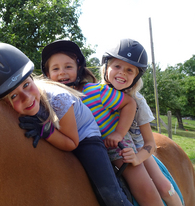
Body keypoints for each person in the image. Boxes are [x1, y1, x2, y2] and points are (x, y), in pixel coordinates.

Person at [0, 42, 134, 206]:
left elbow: (72, 143)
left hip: (84, 137)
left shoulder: (59, 99)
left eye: (26, 84)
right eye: (13, 96)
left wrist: (45, 130)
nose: (27, 97)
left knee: (110, 194)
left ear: (32, 78)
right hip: (54, 127)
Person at [41, 40, 164, 206]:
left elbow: (129, 103)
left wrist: (118, 134)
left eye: (68, 67)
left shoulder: (94, 91)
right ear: (48, 74)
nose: (62, 72)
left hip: (114, 148)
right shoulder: (50, 99)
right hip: (81, 147)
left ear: (78, 69)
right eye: (55, 68)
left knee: (146, 193)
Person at [101, 39, 183, 206]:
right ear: (106, 67)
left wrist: (138, 158)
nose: (122, 73)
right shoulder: (95, 94)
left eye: (129, 70)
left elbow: (150, 144)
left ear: (136, 76)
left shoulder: (137, 102)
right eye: (117, 66)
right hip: (106, 147)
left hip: (138, 149)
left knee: (164, 186)